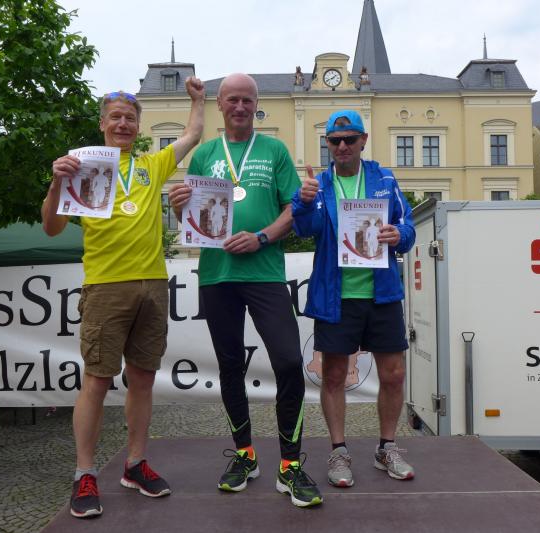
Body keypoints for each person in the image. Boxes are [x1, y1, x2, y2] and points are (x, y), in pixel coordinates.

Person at [42, 77, 205, 518]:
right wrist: (56, 184)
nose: (123, 124)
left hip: (152, 283)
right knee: (96, 380)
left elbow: (192, 134)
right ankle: (84, 473)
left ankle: (135, 464)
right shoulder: (81, 167)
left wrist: (198, 100)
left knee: (143, 378)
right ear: (102, 124)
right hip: (105, 285)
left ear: (138, 126)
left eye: (130, 119)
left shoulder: (152, 165)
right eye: (115, 117)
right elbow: (51, 228)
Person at [168, 73, 322, 508]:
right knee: (230, 365)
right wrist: (179, 210)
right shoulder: (205, 155)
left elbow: (293, 208)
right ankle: (244, 455)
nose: (240, 107)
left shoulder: (274, 150)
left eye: (247, 100)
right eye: (232, 99)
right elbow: (193, 223)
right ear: (220, 104)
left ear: (256, 106)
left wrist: (262, 237)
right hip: (217, 275)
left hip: (264, 272)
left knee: (289, 361)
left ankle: (289, 464)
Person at [292, 110, 415, 488]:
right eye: (334, 140)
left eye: (349, 139)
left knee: (393, 375)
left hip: (381, 293)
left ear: (363, 140)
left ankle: (387, 447)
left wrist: (399, 235)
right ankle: (339, 450)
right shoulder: (319, 185)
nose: (342, 146)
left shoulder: (384, 179)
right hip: (337, 296)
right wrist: (303, 202)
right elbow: (305, 229)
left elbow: (408, 228)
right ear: (327, 144)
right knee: (333, 376)